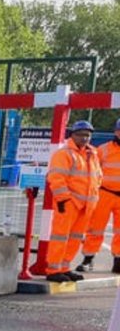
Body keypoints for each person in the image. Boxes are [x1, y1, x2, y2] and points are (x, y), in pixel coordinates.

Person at [45, 120, 102, 282]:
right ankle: (53, 270)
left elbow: (97, 177)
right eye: (81, 135)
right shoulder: (64, 154)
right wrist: (64, 199)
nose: (84, 138)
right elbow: (56, 178)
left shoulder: (92, 154)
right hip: (69, 203)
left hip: (86, 205)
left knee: (75, 238)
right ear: (72, 135)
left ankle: (64, 267)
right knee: (60, 236)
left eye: (87, 135)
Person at [80, 118, 120, 274]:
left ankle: (118, 260)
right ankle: (88, 259)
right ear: (116, 132)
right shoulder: (103, 150)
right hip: (105, 193)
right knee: (95, 228)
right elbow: (92, 170)